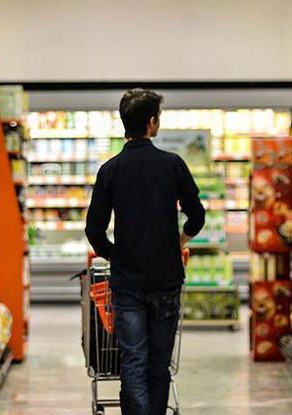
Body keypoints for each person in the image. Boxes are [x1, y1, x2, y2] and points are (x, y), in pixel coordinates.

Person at [85, 89, 206, 415]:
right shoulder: (173, 165)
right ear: (152, 122)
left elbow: (94, 230)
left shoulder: (110, 170)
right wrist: (179, 240)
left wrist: (115, 255)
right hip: (166, 279)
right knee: (158, 364)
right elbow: (197, 216)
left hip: (129, 283)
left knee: (133, 362)